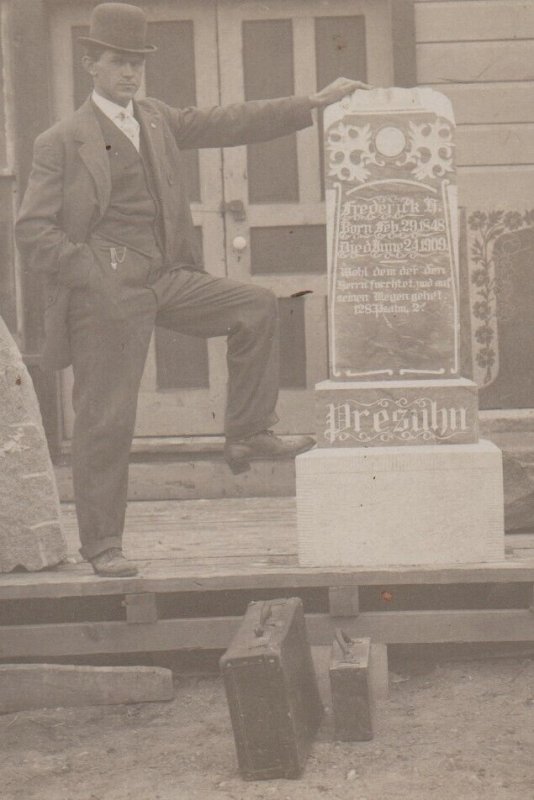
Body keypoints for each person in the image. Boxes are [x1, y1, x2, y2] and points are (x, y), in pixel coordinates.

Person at [16, 2, 369, 577]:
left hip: (166, 275)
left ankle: (248, 433)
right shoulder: (62, 140)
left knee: (254, 306)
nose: (130, 74)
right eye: (118, 63)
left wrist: (311, 104)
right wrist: (92, 272)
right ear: (91, 65)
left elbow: (230, 121)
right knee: (107, 418)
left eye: (137, 63)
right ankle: (103, 544)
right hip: (107, 294)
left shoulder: (154, 118)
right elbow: (33, 231)